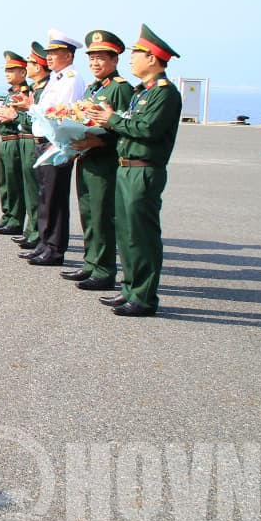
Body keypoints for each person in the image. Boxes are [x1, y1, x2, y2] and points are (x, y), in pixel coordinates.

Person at [86, 25, 183, 316]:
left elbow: (147, 129)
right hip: (126, 167)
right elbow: (130, 124)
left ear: (152, 58)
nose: (131, 59)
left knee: (142, 235)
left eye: (137, 53)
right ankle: (129, 289)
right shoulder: (142, 93)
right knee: (127, 233)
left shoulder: (164, 94)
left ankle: (144, 296)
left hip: (144, 169)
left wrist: (111, 119)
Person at [62, 31, 135, 292]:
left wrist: (100, 142)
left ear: (115, 60)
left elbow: (126, 129)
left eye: (101, 58)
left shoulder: (121, 89)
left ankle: (104, 271)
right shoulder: (95, 88)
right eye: (92, 58)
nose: (94, 63)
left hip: (105, 162)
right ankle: (91, 263)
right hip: (87, 158)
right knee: (89, 214)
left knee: (103, 216)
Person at [22, 29, 85, 266]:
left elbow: (61, 113)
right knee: (45, 196)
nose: (49, 57)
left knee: (55, 198)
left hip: (56, 143)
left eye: (55, 53)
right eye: (48, 53)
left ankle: (55, 248)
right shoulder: (56, 79)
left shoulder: (71, 79)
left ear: (68, 56)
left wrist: (32, 107)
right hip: (43, 142)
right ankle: (44, 242)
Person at [8, 42, 50, 251]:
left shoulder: (43, 89)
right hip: (28, 139)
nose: (28, 66)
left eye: (31, 62)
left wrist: (15, 115)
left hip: (34, 140)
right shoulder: (36, 88)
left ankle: (36, 233)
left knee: (36, 191)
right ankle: (31, 231)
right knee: (28, 187)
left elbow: (37, 116)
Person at [0, 51, 31, 236]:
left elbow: (19, 118)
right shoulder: (11, 92)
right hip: (5, 140)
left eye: (12, 70)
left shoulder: (24, 93)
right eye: (6, 70)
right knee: (5, 182)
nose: (7, 73)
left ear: (23, 73)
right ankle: (7, 216)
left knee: (14, 183)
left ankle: (15, 220)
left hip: (15, 140)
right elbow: (5, 115)